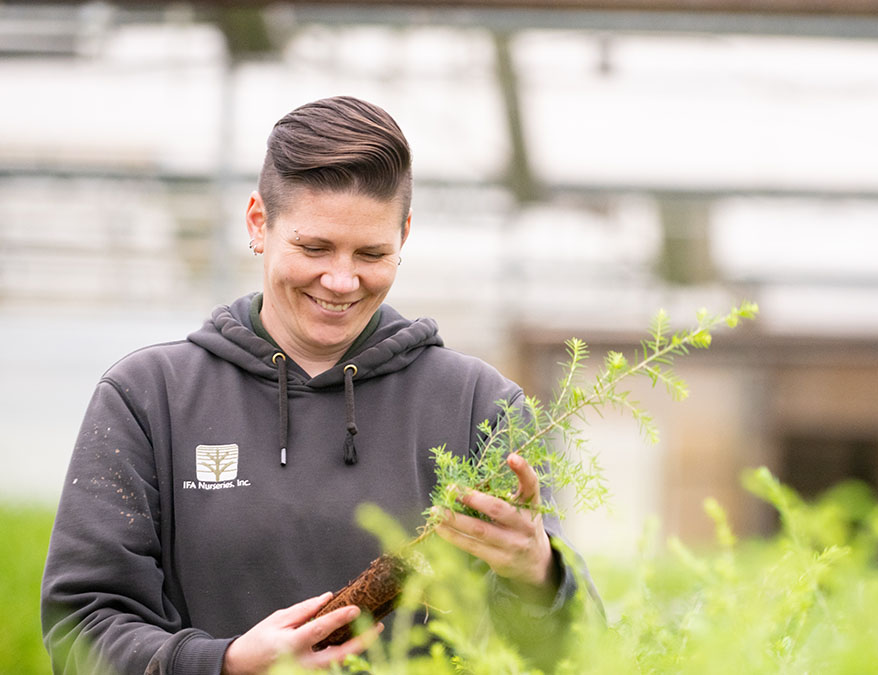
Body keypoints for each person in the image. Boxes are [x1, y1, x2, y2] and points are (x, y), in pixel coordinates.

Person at [41, 96, 587, 675]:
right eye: (315, 247)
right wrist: (221, 664)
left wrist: (537, 576)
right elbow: (82, 626)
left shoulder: (479, 406)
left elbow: (565, 653)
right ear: (258, 222)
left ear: (404, 234)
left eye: (372, 253)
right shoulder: (151, 398)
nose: (342, 279)